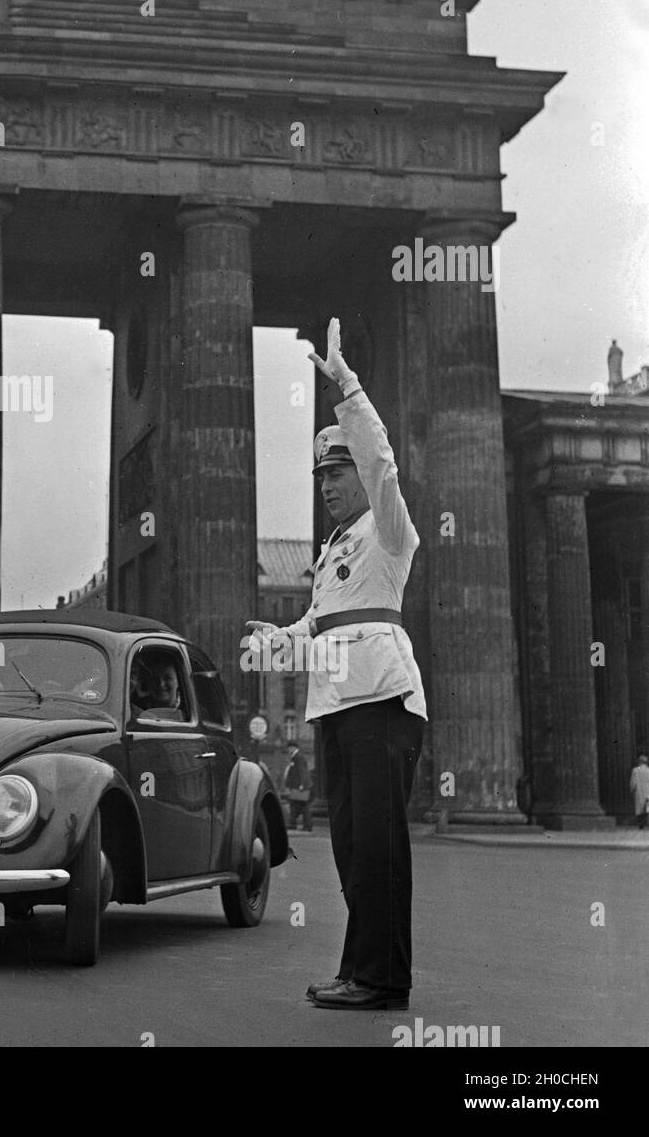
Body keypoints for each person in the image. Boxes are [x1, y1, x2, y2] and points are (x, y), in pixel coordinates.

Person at [247, 318, 426, 1011]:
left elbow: (382, 459)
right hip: (339, 709)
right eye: (321, 474)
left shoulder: (388, 527)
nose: (327, 485)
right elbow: (319, 629)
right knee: (353, 848)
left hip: (380, 703)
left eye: (338, 471)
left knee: (378, 848)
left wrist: (346, 388)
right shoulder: (331, 556)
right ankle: (364, 970)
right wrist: (275, 643)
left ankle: (383, 977)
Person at [283, 741, 312, 832]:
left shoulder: (298, 757)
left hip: (299, 787)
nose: (288, 750)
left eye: (289, 748)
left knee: (303, 806)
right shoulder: (296, 757)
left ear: (293, 748)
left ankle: (305, 825)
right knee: (295, 805)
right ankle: (293, 824)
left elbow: (302, 771)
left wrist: (302, 784)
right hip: (297, 786)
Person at [631, 754, 649, 830]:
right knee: (648, 808)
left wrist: (632, 790)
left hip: (639, 792)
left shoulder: (635, 770)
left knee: (639, 808)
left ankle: (641, 824)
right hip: (648, 792)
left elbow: (633, 783)